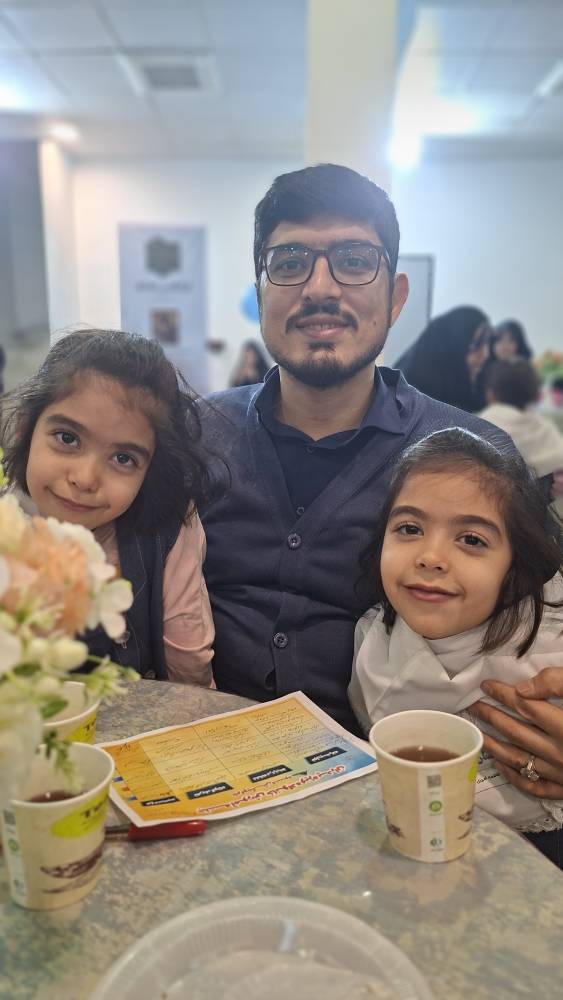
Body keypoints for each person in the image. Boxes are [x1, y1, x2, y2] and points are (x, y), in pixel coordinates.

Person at [199, 163, 513, 732]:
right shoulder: (197, 434)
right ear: (261, 295)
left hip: (396, 759)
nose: (320, 288)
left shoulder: (477, 459)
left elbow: (538, 624)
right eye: (289, 263)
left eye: (354, 260)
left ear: (395, 298)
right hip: (200, 747)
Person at [348, 427, 563, 865]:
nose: (431, 557)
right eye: (409, 528)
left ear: (515, 563)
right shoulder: (373, 638)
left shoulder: (549, 651)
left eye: (471, 540)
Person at [1, 329, 215, 685]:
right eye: (67, 438)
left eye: (123, 458)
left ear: (150, 469)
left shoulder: (169, 530)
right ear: (27, 427)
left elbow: (188, 661)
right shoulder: (8, 524)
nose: (85, 479)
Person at [480, 359, 563, 517]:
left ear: (491, 394)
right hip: (551, 522)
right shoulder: (545, 427)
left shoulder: (482, 425)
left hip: (502, 516)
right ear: (536, 396)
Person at [394, 306, 492, 412]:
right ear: (451, 346)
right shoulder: (408, 400)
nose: (485, 354)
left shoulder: (477, 388)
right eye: (476, 344)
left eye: (486, 342)